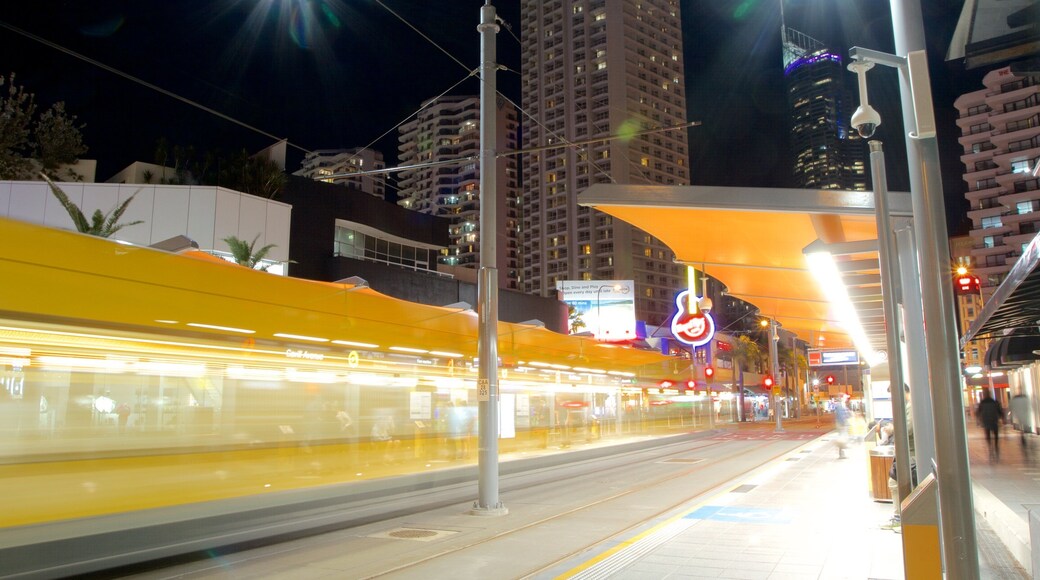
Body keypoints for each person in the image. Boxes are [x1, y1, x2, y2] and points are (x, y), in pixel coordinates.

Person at [977, 394, 1004, 462]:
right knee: (995, 433)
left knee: (988, 433)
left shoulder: (982, 403)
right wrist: (1001, 417)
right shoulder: (995, 402)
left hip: (986, 420)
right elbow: (1000, 411)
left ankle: (990, 446)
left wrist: (979, 420)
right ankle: (996, 445)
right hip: (994, 419)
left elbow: (978, 412)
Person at [1009, 390, 1033, 461]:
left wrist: (1011, 416)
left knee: (1022, 427)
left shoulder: (1014, 399)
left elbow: (1011, 407)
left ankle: (1023, 437)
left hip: (1019, 415)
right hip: (1025, 415)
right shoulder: (1025, 398)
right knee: (1025, 426)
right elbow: (1029, 406)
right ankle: (1026, 437)